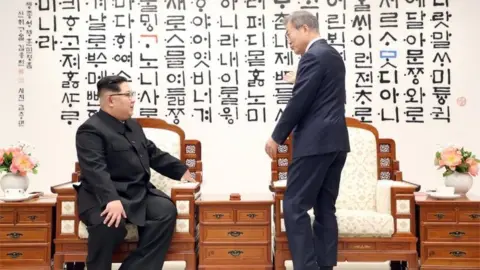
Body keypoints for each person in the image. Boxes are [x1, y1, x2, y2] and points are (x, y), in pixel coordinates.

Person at [74, 75, 196, 270]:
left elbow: (152, 153)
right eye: (128, 94)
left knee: (165, 211)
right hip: (101, 196)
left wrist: (181, 170)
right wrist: (111, 199)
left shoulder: (132, 125)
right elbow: (95, 170)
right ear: (111, 100)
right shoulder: (90, 130)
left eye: (133, 94)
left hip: (136, 193)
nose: (133, 99)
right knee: (109, 223)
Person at [264, 10, 350, 270]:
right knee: (325, 206)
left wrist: (276, 137)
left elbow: (299, 102)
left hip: (315, 143)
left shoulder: (313, 56)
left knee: (294, 205)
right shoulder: (332, 55)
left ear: (304, 29)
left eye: (289, 34)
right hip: (336, 143)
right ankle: (324, 266)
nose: (288, 41)